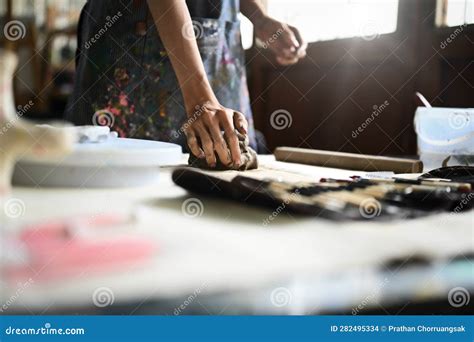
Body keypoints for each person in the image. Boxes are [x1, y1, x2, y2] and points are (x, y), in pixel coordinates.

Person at [65, 0, 306, 168]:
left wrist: (259, 18)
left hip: (218, 40)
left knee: (223, 169)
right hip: (133, 36)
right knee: (121, 179)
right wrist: (200, 97)